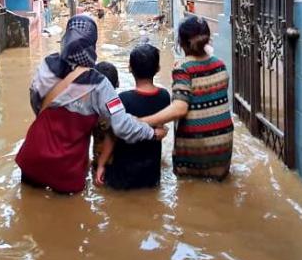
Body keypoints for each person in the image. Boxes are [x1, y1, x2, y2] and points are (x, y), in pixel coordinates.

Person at [16, 15, 167, 193]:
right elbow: (122, 126)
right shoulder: (99, 85)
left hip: (33, 158)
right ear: (92, 44)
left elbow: (35, 100)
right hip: (67, 169)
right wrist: (152, 133)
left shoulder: (48, 65)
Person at [141, 17, 233, 180]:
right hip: (223, 147)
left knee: (187, 188)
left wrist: (142, 121)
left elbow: (180, 108)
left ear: (181, 43)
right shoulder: (221, 65)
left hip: (196, 149)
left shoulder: (183, 69)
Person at [96, 44, 171, 190]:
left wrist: (100, 165)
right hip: (151, 175)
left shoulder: (121, 99)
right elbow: (161, 130)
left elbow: (111, 137)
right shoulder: (164, 96)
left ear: (130, 68)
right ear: (158, 69)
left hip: (122, 175)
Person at [91, 61, 120, 170]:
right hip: (117, 163)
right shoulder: (119, 107)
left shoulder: (90, 109)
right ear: (118, 83)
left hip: (98, 162)